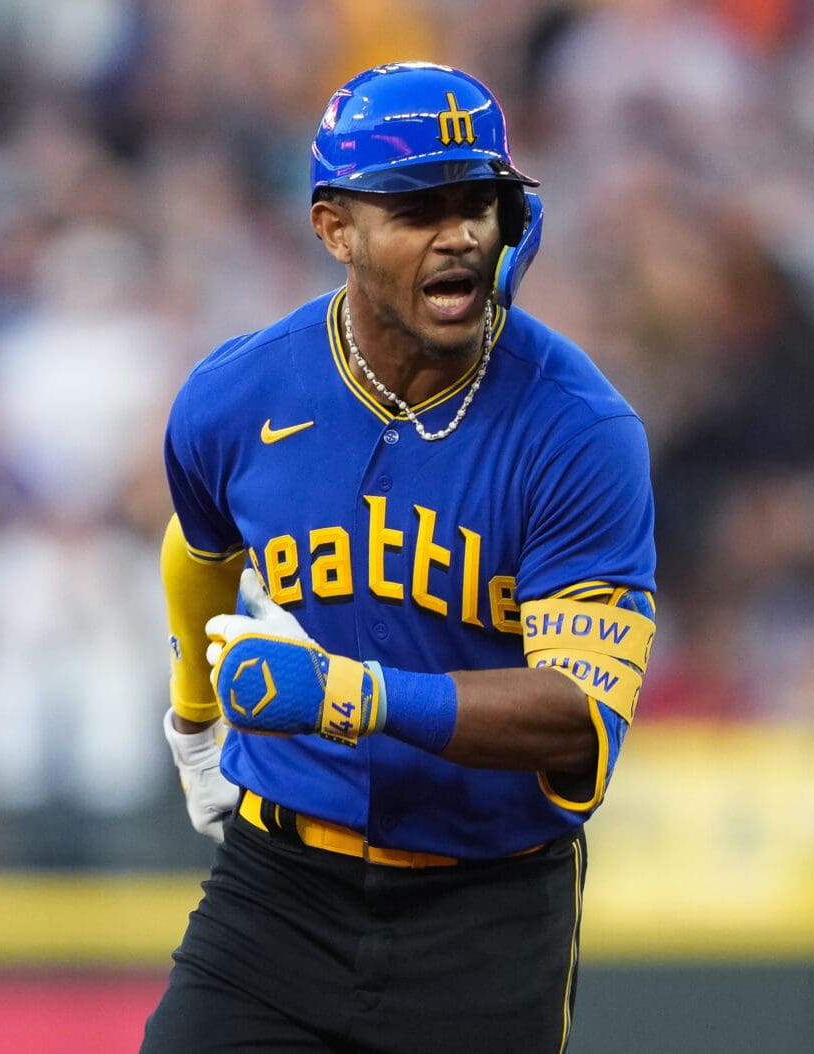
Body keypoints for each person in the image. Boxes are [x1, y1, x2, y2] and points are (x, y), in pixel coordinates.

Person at [142, 61, 657, 1053]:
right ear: (334, 227)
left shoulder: (579, 428)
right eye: (420, 206)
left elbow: (577, 710)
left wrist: (350, 696)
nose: (460, 233)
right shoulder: (236, 396)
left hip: (487, 912)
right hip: (278, 894)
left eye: (482, 202)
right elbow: (196, 543)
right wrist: (194, 721)